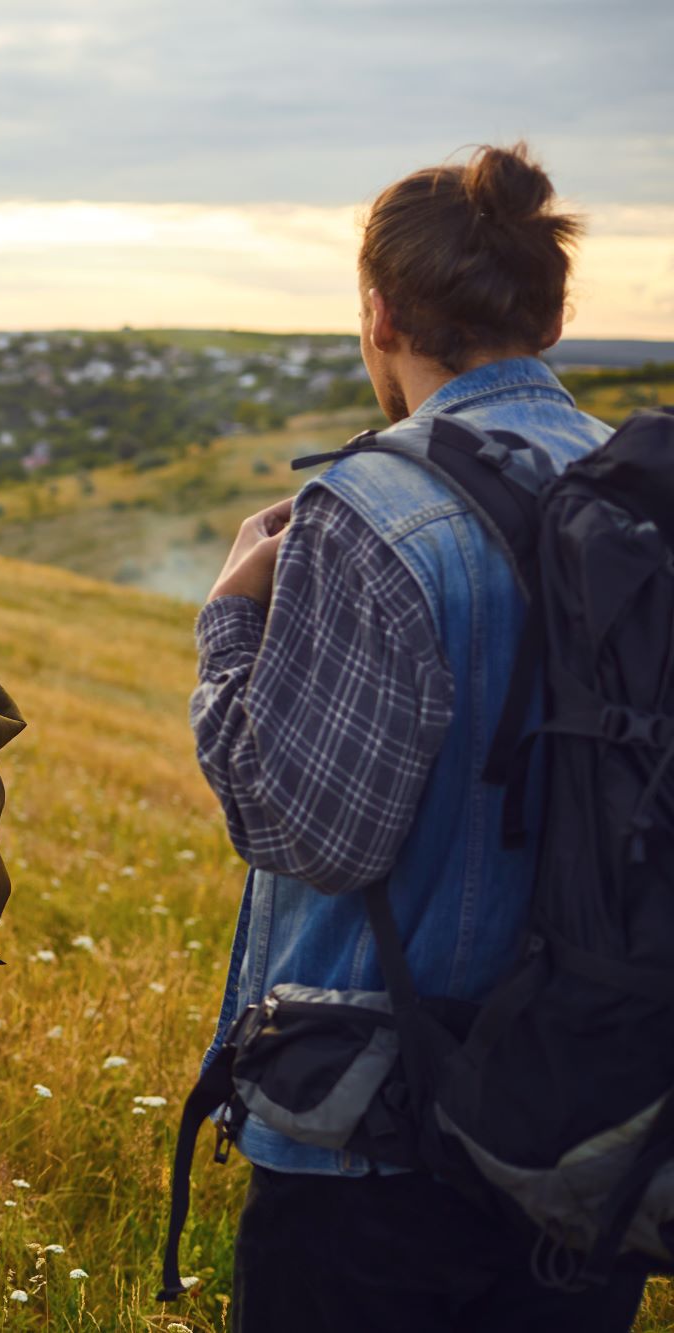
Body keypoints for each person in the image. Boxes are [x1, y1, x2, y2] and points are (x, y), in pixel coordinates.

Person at [190, 143, 650, 1331]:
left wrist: (230, 622)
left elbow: (306, 831)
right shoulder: (632, 489)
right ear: (546, 316)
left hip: (375, 1135)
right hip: (584, 1108)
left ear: (380, 313)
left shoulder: (371, 510)